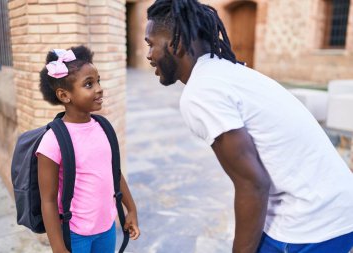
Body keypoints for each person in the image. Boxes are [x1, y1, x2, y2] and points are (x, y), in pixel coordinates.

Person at [145, 0, 353, 252]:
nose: (148, 55)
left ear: (175, 45)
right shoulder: (225, 71)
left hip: (312, 220)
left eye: (150, 44)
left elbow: (253, 185)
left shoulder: (202, 92)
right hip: (330, 206)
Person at [37, 45, 140, 253]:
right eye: (88, 84)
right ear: (65, 95)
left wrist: (131, 209)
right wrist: (58, 247)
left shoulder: (103, 127)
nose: (99, 88)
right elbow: (47, 200)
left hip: (107, 227)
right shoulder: (52, 141)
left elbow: (114, 172)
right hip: (75, 234)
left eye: (98, 81)